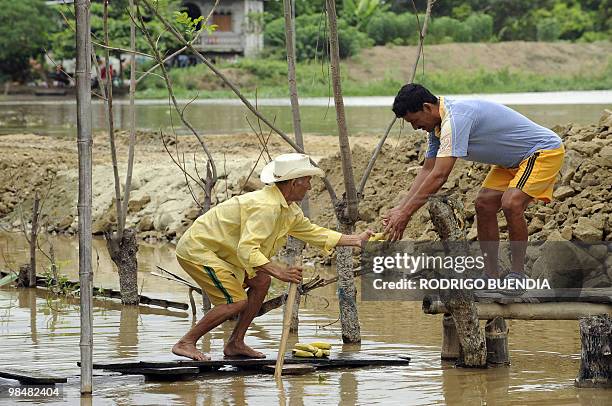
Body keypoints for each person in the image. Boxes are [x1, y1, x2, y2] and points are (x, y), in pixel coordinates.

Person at [173, 153, 374, 360]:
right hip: (198, 249)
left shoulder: (288, 209)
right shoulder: (266, 207)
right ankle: (186, 342)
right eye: (307, 181)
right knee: (235, 301)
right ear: (294, 183)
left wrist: (356, 240)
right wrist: (280, 271)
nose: (310, 187)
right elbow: (247, 250)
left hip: (223, 251)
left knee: (261, 281)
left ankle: (235, 343)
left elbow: (313, 232)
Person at [382, 84, 564, 281]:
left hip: (541, 151)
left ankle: (518, 275)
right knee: (484, 205)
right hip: (512, 161)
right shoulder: (437, 127)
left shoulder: (455, 119)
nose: (415, 127)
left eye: (415, 121)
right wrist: (400, 208)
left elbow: (440, 175)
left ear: (427, 107)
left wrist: (406, 214)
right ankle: (490, 275)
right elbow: (428, 169)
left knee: (512, 203)